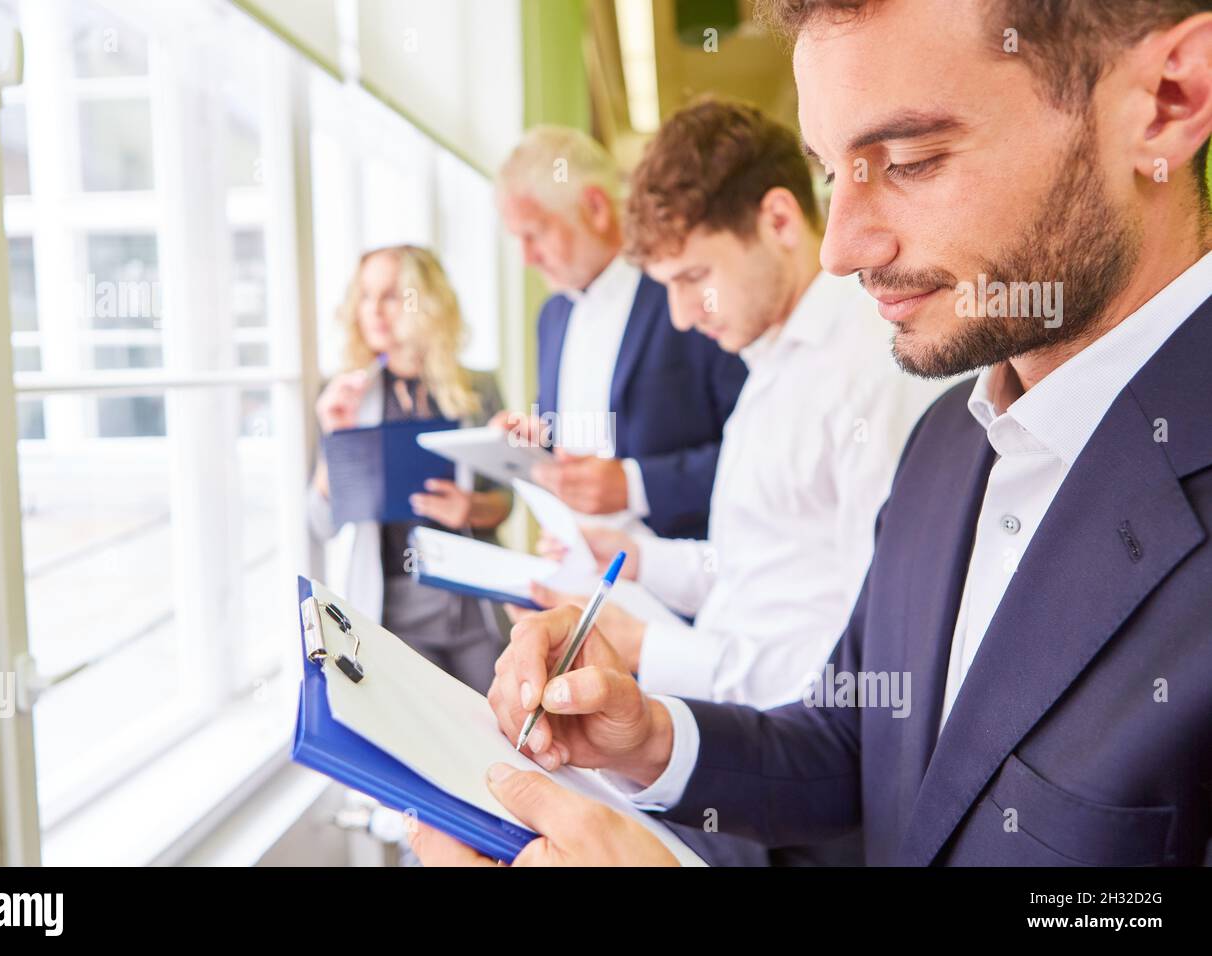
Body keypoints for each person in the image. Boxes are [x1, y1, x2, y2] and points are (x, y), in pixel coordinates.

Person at [411, 0, 1212, 866]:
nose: (841, 251)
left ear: (1166, 101)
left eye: (910, 160)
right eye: (835, 174)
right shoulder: (952, 439)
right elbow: (857, 742)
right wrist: (651, 739)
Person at [523, 98, 952, 865]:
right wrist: (634, 559)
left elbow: (877, 655)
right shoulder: (767, 362)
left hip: (802, 794)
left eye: (694, 278)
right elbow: (758, 567)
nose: (683, 316)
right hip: (737, 753)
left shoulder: (876, 371)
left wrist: (649, 647)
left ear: (780, 222)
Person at [494, 126, 747, 539]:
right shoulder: (552, 315)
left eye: (534, 234)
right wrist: (530, 440)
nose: (526, 258)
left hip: (685, 578)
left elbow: (754, 449)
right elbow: (566, 435)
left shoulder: (686, 293)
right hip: (576, 568)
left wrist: (635, 487)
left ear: (595, 207)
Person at [306, 244, 510, 695]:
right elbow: (320, 523)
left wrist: (471, 509)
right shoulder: (347, 396)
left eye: (393, 295)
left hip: (472, 600)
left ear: (427, 302)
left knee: (500, 731)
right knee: (424, 743)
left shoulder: (476, 389)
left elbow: (505, 502)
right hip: (395, 610)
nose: (374, 310)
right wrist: (335, 438)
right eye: (365, 296)